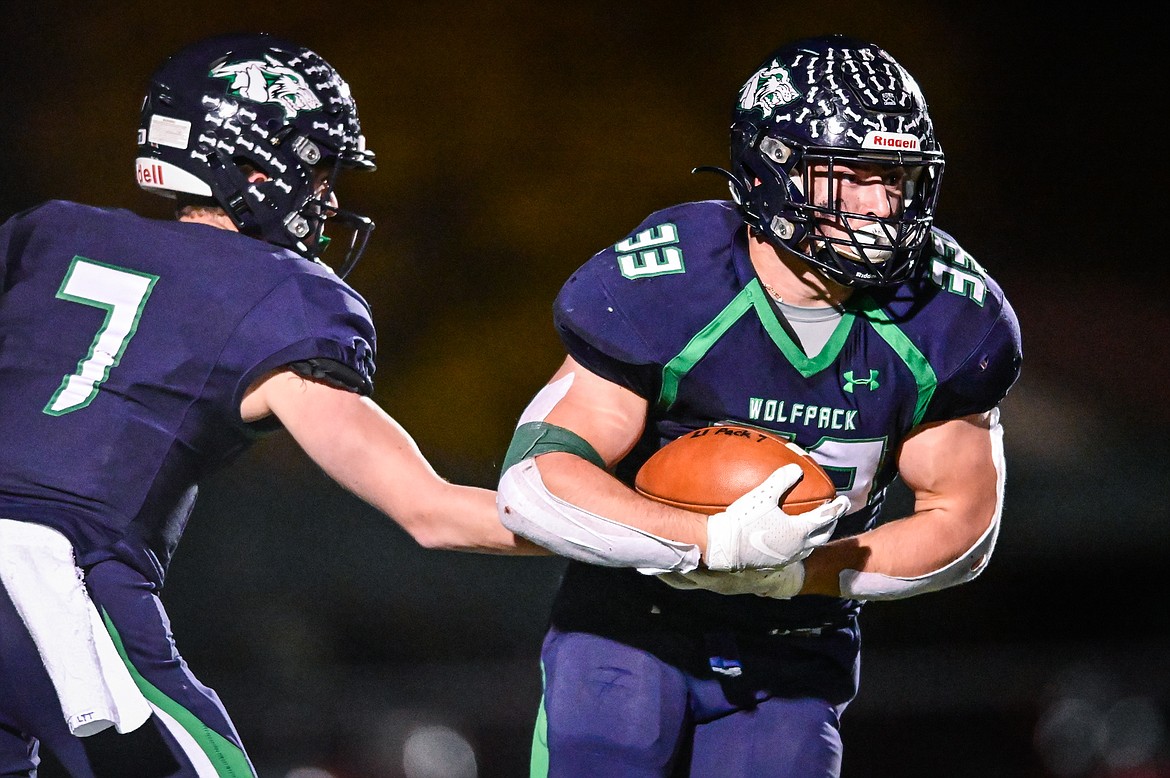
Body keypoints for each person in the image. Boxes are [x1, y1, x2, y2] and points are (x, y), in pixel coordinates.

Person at [0, 33, 544, 777]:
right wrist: (644, 538)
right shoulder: (281, 293)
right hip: (55, 583)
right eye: (319, 172)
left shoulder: (44, 234)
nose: (328, 201)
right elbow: (431, 511)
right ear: (254, 166)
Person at [496, 33, 1022, 777]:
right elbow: (538, 477)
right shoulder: (674, 277)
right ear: (773, 170)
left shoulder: (951, 314)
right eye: (854, 175)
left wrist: (792, 574)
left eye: (897, 177)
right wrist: (704, 542)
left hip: (796, 640)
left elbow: (960, 522)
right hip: (632, 618)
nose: (883, 203)